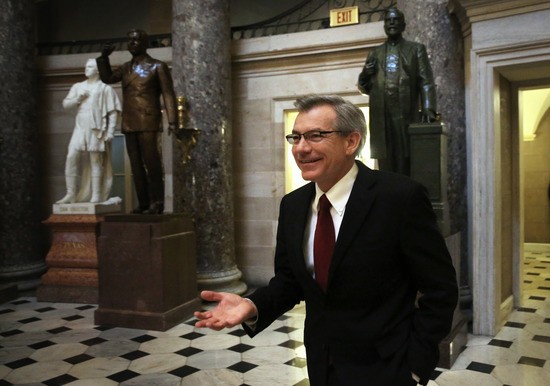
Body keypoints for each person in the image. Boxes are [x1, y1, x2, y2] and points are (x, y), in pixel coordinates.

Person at [194, 95, 458, 386]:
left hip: (388, 367)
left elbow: (440, 289)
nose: (301, 148)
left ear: (351, 141)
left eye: (316, 135)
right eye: (295, 137)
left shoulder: (399, 198)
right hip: (322, 364)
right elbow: (290, 280)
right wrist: (252, 305)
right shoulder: (293, 205)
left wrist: (415, 367)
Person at [96, 29, 177, 214]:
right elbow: (107, 78)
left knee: (152, 163)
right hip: (130, 121)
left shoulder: (157, 66)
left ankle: (157, 203)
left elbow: (168, 94)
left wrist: (172, 121)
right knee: (136, 165)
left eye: (136, 40)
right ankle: (144, 202)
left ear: (145, 43)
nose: (132, 44)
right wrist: (103, 57)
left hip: (148, 120)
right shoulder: (125, 68)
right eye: (129, 41)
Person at [358, 7, 438, 176]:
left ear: (404, 25)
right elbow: (364, 88)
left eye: (395, 20)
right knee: (385, 157)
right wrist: (365, 74)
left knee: (407, 156)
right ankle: (389, 194)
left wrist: (429, 108)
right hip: (382, 114)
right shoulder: (375, 53)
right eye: (388, 20)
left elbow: (426, 81)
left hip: (406, 112)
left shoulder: (416, 49)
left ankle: (407, 193)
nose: (392, 23)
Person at [57, 58, 121, 204]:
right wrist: (78, 99)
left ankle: (96, 195)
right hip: (80, 125)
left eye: (90, 67)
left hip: (97, 127)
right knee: (71, 155)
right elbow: (66, 104)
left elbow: (113, 112)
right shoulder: (78, 86)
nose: (86, 69)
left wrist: (111, 132)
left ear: (98, 70)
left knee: (95, 160)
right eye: (86, 66)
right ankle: (70, 193)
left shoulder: (105, 88)